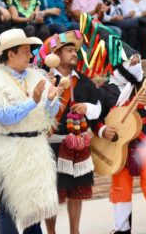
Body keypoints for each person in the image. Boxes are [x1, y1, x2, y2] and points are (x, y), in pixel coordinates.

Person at [0, 29, 61, 234]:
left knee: (34, 208)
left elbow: (48, 116)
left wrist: (52, 100)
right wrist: (33, 102)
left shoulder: (38, 77)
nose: (31, 56)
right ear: (11, 54)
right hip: (10, 150)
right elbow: (5, 117)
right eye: (26, 51)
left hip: (36, 149)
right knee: (9, 208)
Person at [95, 43, 146, 234]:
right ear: (119, 66)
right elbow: (96, 118)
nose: (137, 66)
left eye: (137, 62)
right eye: (132, 63)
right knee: (120, 186)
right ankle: (122, 228)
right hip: (118, 145)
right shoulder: (105, 90)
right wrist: (103, 131)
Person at [37, 30, 101, 234]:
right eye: (69, 50)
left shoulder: (84, 81)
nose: (74, 54)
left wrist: (86, 109)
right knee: (51, 194)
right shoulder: (45, 80)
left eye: (76, 50)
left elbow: (98, 108)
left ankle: (75, 232)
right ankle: (51, 232)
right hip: (51, 144)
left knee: (77, 191)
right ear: (56, 53)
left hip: (77, 145)